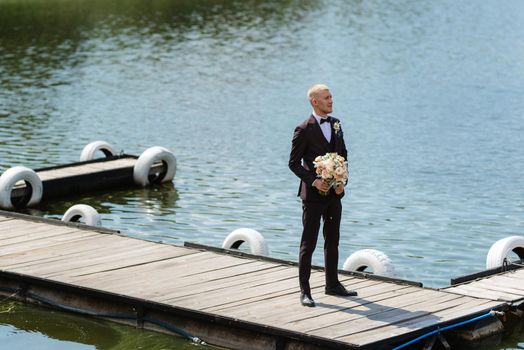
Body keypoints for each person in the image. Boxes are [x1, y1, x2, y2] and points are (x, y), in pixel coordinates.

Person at [288, 84, 357, 307]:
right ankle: (305, 291)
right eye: (326, 98)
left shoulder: (336, 124)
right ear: (314, 102)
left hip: (334, 195)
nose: (331, 101)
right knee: (308, 243)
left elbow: (343, 155)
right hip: (313, 196)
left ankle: (332, 285)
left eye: (331, 97)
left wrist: (341, 182)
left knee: (333, 240)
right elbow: (293, 163)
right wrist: (314, 180)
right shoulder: (303, 129)